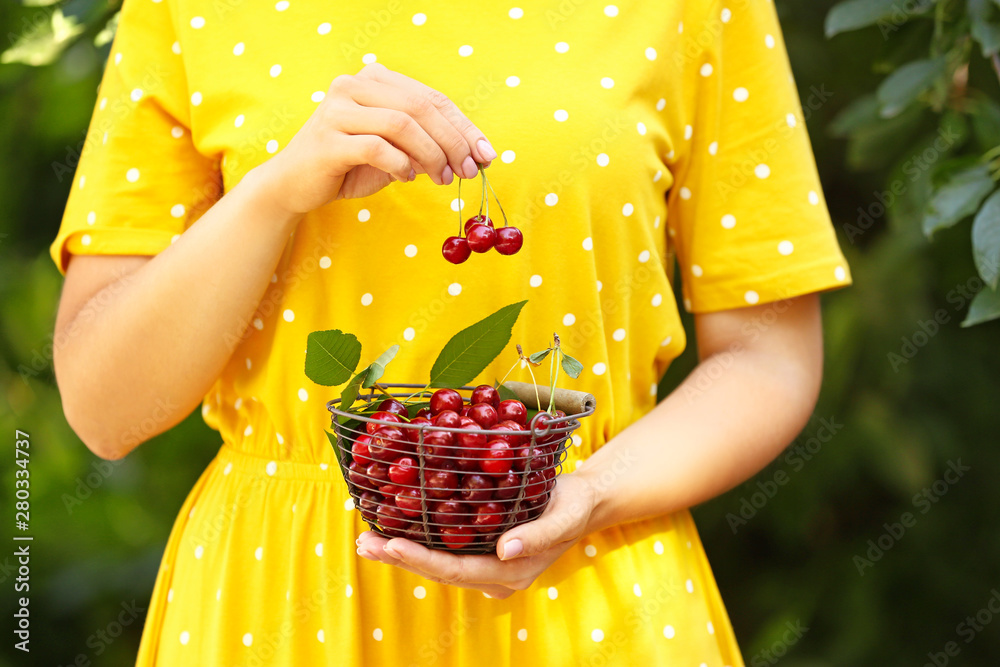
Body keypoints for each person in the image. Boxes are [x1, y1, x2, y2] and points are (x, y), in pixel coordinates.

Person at [50, 0, 851, 664]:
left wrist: (593, 494)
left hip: (586, 592)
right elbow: (105, 407)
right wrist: (272, 194)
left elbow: (767, 356)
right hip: (278, 604)